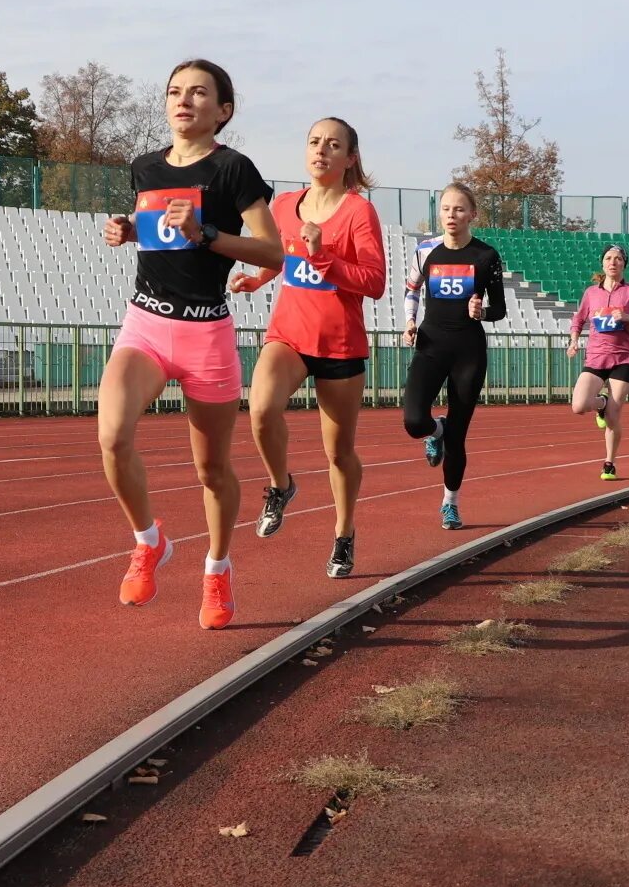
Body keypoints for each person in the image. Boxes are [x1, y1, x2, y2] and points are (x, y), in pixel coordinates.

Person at [100, 59, 282, 630]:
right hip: (146, 324)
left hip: (206, 332)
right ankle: (148, 541)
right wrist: (129, 229)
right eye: (175, 91)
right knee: (112, 437)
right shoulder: (145, 167)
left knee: (212, 471)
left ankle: (217, 567)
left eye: (199, 93)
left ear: (222, 111)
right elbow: (154, 227)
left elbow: (273, 252)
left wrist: (205, 234)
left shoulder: (234, 169)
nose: (184, 100)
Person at [230, 118, 386, 578]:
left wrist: (324, 256)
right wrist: (256, 279)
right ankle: (281, 485)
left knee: (338, 453)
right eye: (315, 142)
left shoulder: (359, 212)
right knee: (260, 409)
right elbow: (278, 258)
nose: (321, 150)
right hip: (289, 335)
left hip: (339, 346)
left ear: (350, 158)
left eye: (333, 145)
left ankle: (344, 533)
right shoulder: (282, 206)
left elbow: (374, 283)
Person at [399, 184, 507, 531]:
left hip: (468, 352)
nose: (451, 216)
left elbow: (500, 309)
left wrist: (481, 312)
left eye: (459, 210)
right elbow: (411, 289)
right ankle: (437, 429)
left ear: (472, 214)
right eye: (446, 209)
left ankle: (450, 503)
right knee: (415, 421)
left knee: (458, 437)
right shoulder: (427, 253)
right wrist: (410, 321)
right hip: (431, 345)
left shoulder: (486, 256)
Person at [567, 244, 629, 481]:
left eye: (618, 259)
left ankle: (609, 462)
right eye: (609, 258)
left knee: (613, 417)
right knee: (578, 406)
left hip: (622, 358)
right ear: (603, 263)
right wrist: (574, 340)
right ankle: (601, 402)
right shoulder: (591, 293)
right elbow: (578, 319)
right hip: (596, 357)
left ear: (624, 264)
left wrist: (628, 317)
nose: (613, 262)